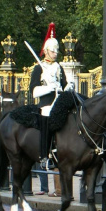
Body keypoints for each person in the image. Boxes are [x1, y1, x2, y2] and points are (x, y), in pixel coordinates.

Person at [29, 23, 68, 171]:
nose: (55, 53)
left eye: (56, 51)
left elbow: (64, 85)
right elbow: (33, 91)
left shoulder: (59, 67)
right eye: (53, 51)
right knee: (46, 113)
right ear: (46, 51)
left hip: (59, 100)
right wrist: (48, 87)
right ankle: (44, 154)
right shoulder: (39, 68)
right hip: (46, 102)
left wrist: (67, 86)